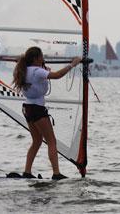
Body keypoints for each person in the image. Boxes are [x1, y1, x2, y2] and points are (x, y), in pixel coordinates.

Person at [12, 46, 81, 180]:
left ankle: (27, 171)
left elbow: (40, 76)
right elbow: (57, 75)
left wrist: (45, 71)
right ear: (36, 58)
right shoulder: (37, 71)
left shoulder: (24, 69)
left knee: (37, 141)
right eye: (42, 57)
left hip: (27, 108)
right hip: (37, 109)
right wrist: (72, 65)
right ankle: (56, 173)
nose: (43, 59)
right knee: (51, 141)